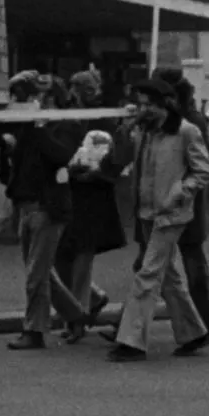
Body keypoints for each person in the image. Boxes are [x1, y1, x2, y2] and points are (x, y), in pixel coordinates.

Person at [106, 78, 209, 362]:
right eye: (140, 104)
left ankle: (131, 341)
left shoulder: (186, 131)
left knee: (148, 274)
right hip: (146, 212)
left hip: (170, 214)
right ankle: (193, 332)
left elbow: (203, 170)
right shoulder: (144, 132)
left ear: (165, 105)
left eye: (148, 105)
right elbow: (120, 159)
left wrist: (181, 192)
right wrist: (123, 132)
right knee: (168, 277)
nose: (143, 110)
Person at [0, 72, 83, 350]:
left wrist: (39, 128)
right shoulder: (27, 126)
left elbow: (62, 155)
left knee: (37, 274)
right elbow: (9, 159)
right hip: (26, 205)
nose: (33, 102)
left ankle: (34, 330)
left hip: (48, 207)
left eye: (39, 97)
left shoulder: (66, 124)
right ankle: (80, 312)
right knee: (41, 272)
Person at [153, 66, 209, 341]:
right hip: (167, 201)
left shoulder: (191, 123)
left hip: (184, 202)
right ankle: (129, 325)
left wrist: (183, 189)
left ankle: (208, 324)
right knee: (151, 266)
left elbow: (204, 165)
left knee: (191, 265)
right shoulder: (167, 120)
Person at [52, 126, 126, 342]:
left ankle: (78, 319)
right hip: (77, 213)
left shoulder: (90, 139)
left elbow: (109, 172)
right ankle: (90, 302)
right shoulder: (76, 138)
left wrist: (83, 173)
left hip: (89, 216)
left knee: (78, 268)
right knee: (66, 264)